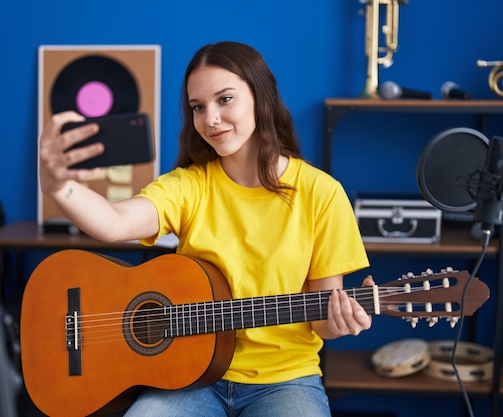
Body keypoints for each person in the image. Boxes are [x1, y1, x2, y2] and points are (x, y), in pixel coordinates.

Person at [38, 41, 374, 417]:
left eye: (225, 99)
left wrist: (342, 321)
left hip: (285, 380)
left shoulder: (322, 194)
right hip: (188, 377)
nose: (210, 118)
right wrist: (58, 187)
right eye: (198, 107)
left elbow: (321, 321)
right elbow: (115, 223)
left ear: (260, 97)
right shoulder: (190, 186)